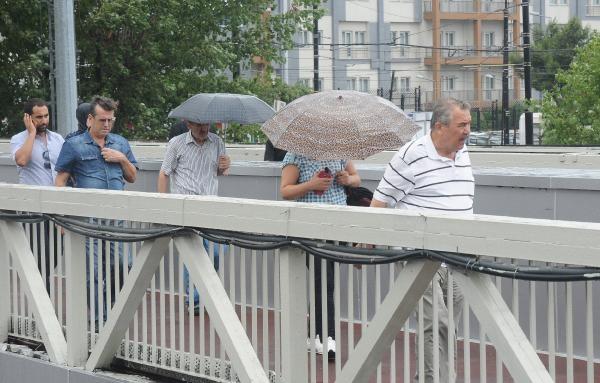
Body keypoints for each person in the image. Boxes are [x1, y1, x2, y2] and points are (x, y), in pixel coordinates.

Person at [370, 98, 473, 383]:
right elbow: (380, 204)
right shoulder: (411, 155)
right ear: (439, 126)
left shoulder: (463, 153)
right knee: (434, 324)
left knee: (448, 326)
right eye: (461, 125)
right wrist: (366, 242)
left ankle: (432, 377)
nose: (467, 131)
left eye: (469, 125)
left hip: (459, 256)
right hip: (421, 257)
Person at [55, 96, 138, 323]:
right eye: (102, 120)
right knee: (92, 273)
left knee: (123, 266)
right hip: (87, 220)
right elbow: (60, 181)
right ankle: (101, 321)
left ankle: (109, 307)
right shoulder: (73, 145)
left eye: (111, 120)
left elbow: (132, 177)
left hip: (116, 218)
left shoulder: (120, 143)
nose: (107, 125)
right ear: (90, 119)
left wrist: (121, 159)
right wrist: (62, 216)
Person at [280, 152, 360, 358]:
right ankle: (327, 338)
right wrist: (311, 184)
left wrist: (347, 179)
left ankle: (312, 336)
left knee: (323, 281)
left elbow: (356, 178)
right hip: (310, 227)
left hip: (339, 226)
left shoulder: (340, 152)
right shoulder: (296, 156)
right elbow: (285, 191)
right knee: (325, 281)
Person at [157, 120, 231, 310]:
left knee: (216, 252)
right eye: (198, 124)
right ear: (189, 124)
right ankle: (196, 301)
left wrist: (225, 166)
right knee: (194, 254)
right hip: (186, 207)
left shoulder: (217, 142)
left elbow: (221, 172)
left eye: (206, 124)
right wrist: (162, 205)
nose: (203, 128)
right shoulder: (176, 143)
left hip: (210, 206)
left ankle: (202, 294)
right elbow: (164, 173)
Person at [10, 98, 65, 292]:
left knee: (57, 252)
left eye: (46, 116)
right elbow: (22, 160)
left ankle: (41, 289)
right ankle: (43, 302)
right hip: (33, 208)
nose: (43, 121)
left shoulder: (58, 139)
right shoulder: (19, 139)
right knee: (40, 254)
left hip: (57, 206)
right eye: (38, 117)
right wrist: (31, 133)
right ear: (28, 118)